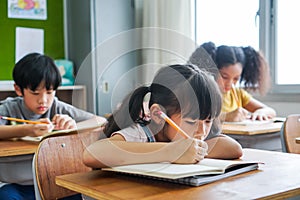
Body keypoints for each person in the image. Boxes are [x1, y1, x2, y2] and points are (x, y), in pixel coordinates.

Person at [83, 64, 243, 169]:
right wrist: (171, 151)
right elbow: (92, 154)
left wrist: (191, 151)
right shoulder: (140, 134)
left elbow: (234, 148)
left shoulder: (192, 137)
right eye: (191, 121)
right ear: (158, 115)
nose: (202, 131)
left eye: (208, 121)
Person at [0, 53, 106, 200]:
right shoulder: (9, 108)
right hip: (18, 186)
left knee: (85, 193)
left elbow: (100, 120)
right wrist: (27, 129)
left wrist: (73, 125)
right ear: (19, 90)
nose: (43, 100)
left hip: (53, 181)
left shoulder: (57, 107)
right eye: (35, 93)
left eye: (49, 92)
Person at [189, 42, 276, 122]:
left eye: (236, 79)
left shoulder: (238, 94)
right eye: (224, 77)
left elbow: (270, 111)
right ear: (212, 71)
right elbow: (191, 118)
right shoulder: (203, 94)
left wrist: (260, 112)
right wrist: (225, 117)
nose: (230, 84)